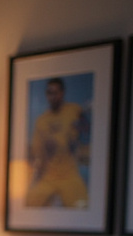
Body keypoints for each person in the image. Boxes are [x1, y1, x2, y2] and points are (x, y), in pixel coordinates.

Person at [25, 76, 89, 208]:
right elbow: (37, 153)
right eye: (49, 93)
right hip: (49, 177)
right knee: (29, 203)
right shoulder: (41, 121)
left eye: (55, 92)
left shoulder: (74, 111)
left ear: (62, 93)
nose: (52, 96)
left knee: (82, 206)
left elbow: (85, 133)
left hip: (70, 175)